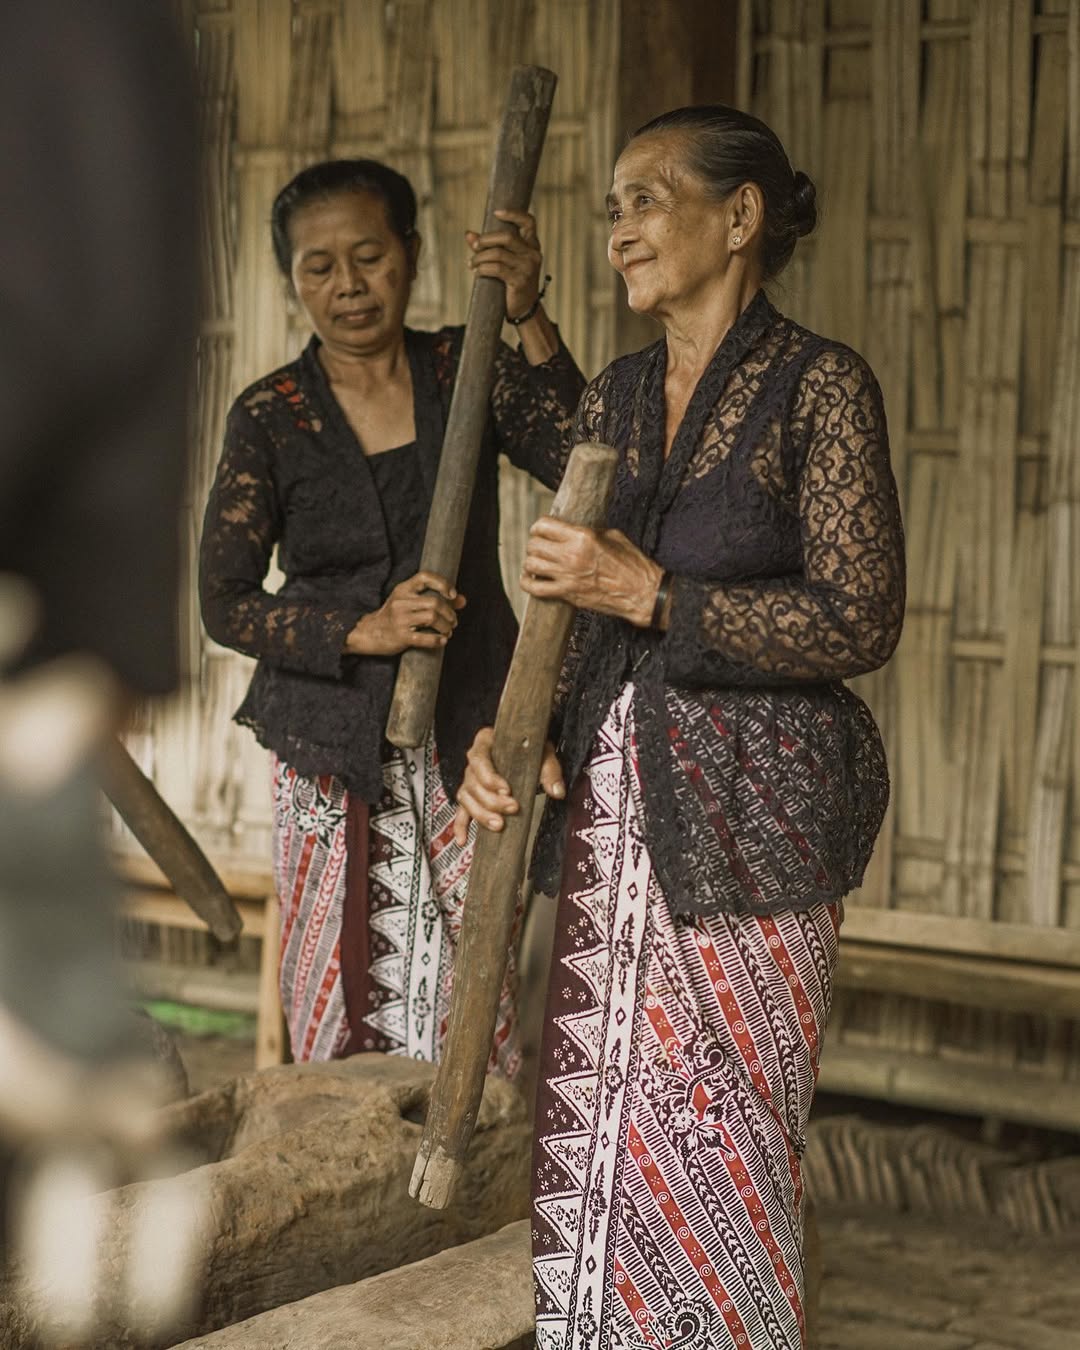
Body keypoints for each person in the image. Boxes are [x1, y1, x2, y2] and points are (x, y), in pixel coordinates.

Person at [454, 105, 905, 1350]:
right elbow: (578, 607)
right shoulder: (620, 389)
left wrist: (651, 592)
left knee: (720, 1141)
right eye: (612, 207)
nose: (621, 229)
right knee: (597, 1139)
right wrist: (519, 729)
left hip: (750, 833)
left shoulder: (822, 386)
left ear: (740, 215)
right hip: (618, 809)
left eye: (646, 198)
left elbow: (858, 618)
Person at [199, 159, 584, 1069]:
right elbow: (225, 603)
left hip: (472, 734)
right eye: (318, 267)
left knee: (471, 967)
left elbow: (582, 455)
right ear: (291, 279)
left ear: (410, 255)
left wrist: (527, 313)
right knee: (339, 973)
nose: (348, 287)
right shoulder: (271, 415)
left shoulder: (465, 363)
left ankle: (459, 1171)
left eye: (369, 257)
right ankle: (344, 1167)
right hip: (329, 746)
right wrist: (355, 630)